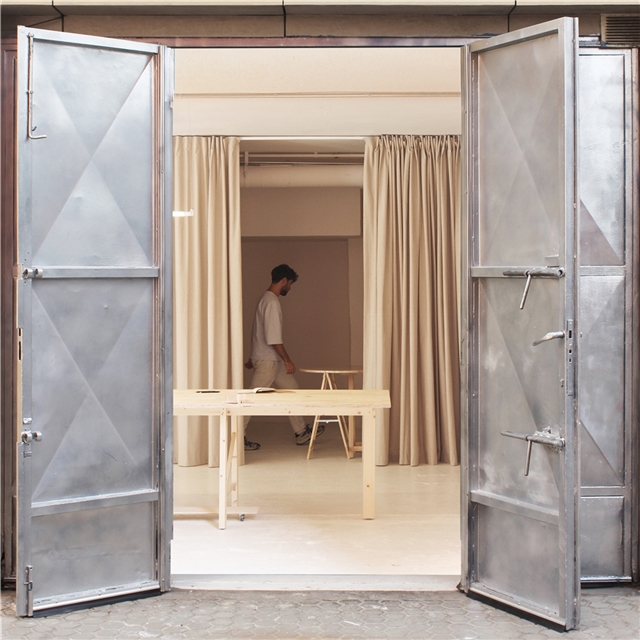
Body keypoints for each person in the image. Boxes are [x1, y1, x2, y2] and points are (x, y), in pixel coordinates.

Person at [243, 264, 324, 451]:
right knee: (252, 399)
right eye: (290, 284)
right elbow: (273, 338)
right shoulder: (271, 302)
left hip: (269, 359)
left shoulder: (265, 299)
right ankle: (238, 436)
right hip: (268, 361)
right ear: (284, 281)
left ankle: (301, 432)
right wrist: (287, 360)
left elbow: (258, 332)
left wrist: (253, 357)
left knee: (292, 390)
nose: (290, 288)